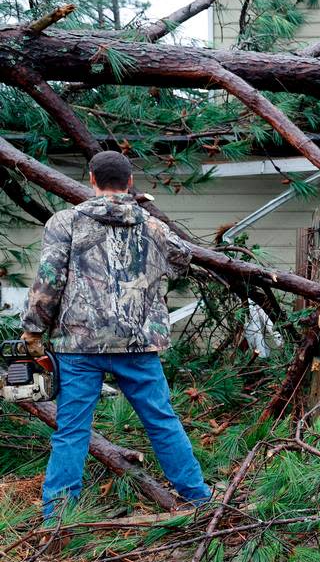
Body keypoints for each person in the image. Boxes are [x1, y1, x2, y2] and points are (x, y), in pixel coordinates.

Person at [22, 150, 212, 519]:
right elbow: (182, 261)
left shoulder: (66, 222)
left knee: (72, 430)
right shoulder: (154, 226)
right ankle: (201, 500)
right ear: (128, 183)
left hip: (78, 344)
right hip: (138, 342)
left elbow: (49, 280)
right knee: (161, 420)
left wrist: (33, 328)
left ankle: (58, 519)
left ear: (91, 178)